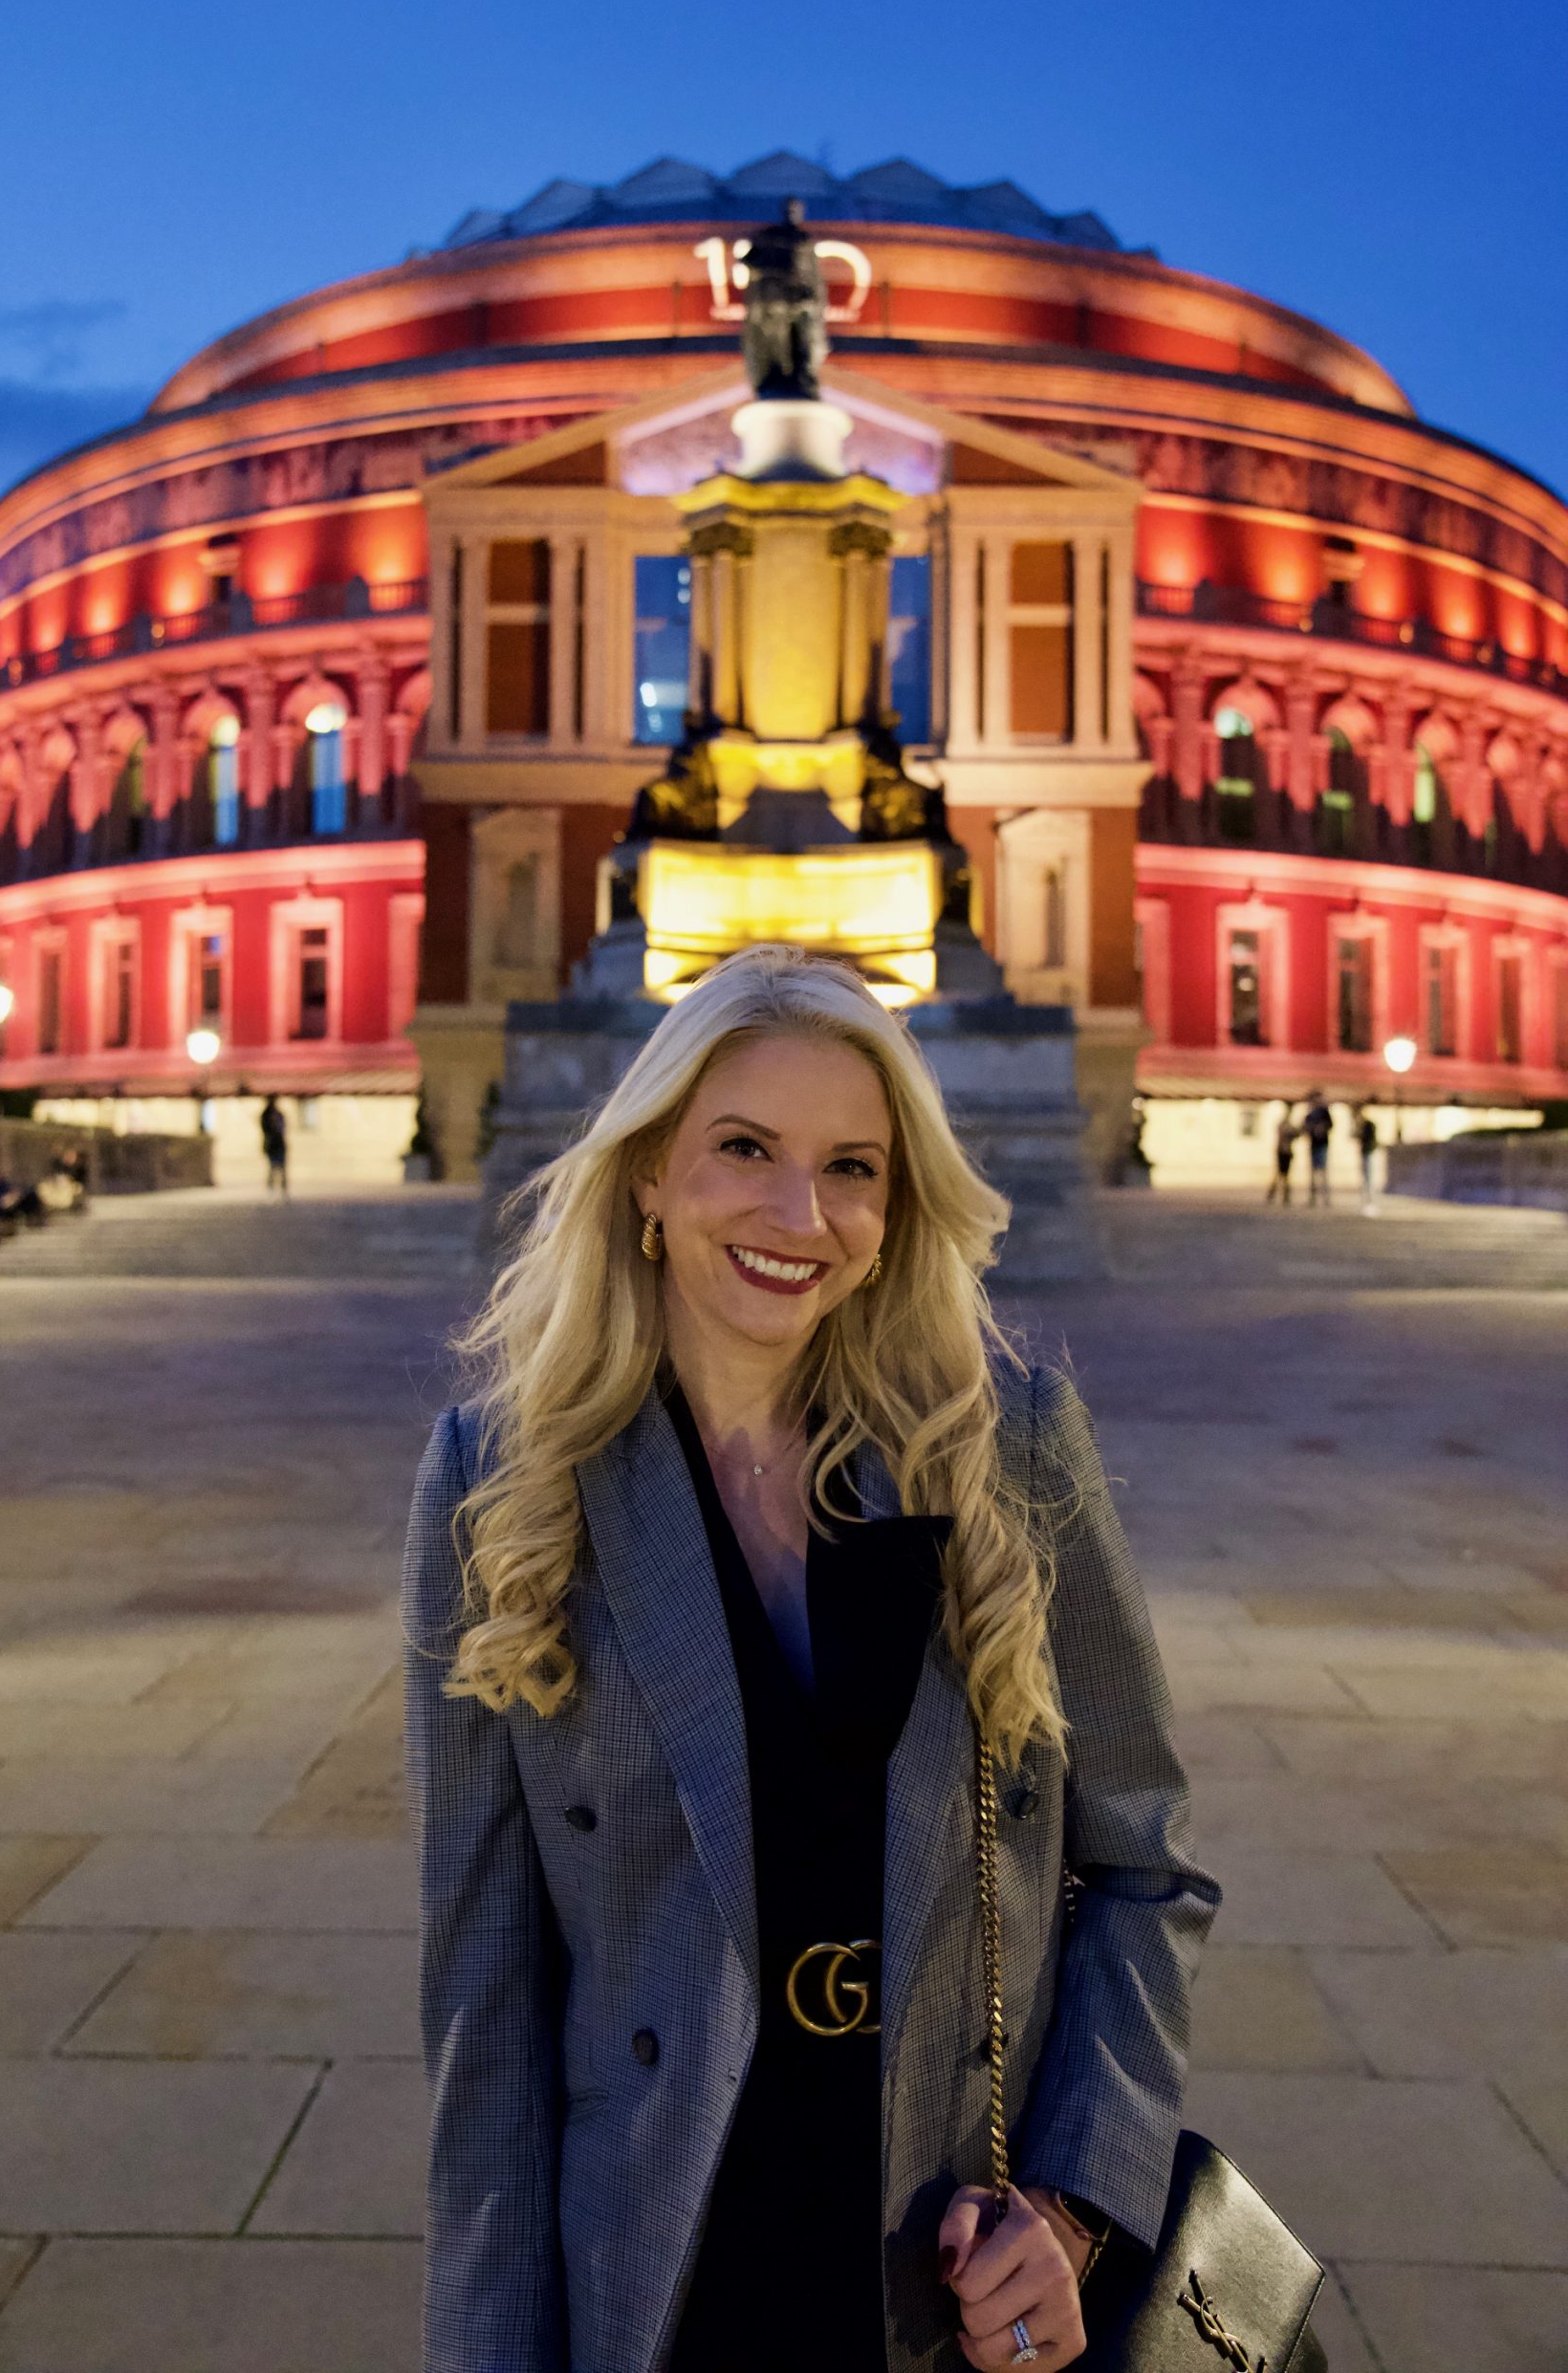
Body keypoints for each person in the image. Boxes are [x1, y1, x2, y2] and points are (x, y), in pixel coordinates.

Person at [403, 945, 1220, 2373]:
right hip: (662, 2257)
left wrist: (1076, 2202)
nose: (802, 1215)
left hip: (947, 2266)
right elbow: (487, 1983)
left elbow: (1141, 1866)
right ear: (648, 1175)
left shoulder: (998, 1439)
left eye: (853, 1165)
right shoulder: (507, 1481)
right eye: (741, 1149)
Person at [1303, 1091, 1333, 1206]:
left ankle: (1325, 1197)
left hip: (1322, 1145)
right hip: (1314, 1145)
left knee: (1323, 1171)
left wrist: (1322, 1128)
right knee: (1313, 1172)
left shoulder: (1325, 1113)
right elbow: (1305, 1127)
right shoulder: (1310, 1114)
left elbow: (1330, 1126)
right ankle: (1313, 1197)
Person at [1267, 1102, 1298, 1207]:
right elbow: (1290, 1133)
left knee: (1284, 1174)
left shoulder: (1286, 1124)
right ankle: (1277, 1193)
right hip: (1283, 1151)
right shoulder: (1284, 1124)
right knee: (1281, 1174)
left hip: (1286, 1151)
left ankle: (1282, 1194)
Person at [259, 1096, 289, 1195]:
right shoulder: (266, 1115)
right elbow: (266, 1129)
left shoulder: (278, 1114)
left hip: (278, 1144)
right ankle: (271, 1188)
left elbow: (283, 1128)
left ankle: (282, 1187)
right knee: (273, 1167)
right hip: (272, 1144)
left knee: (281, 1167)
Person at [1356, 1106, 1380, 1213]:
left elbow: (1371, 1140)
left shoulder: (1369, 1125)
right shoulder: (1363, 1125)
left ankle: (1371, 1202)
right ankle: (1367, 1202)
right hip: (1365, 1153)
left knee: (1369, 1178)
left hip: (1369, 1153)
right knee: (1366, 1178)